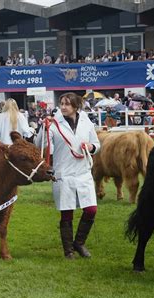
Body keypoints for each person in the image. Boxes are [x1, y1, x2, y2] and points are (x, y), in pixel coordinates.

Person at [35, 92, 100, 259]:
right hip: (63, 172)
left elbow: (97, 144)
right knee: (67, 211)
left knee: (91, 209)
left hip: (83, 171)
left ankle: (79, 243)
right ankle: (68, 250)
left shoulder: (86, 122)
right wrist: (44, 127)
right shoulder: (55, 123)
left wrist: (91, 147)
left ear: (76, 106)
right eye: (61, 103)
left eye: (67, 104)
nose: (63, 107)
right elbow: (40, 144)